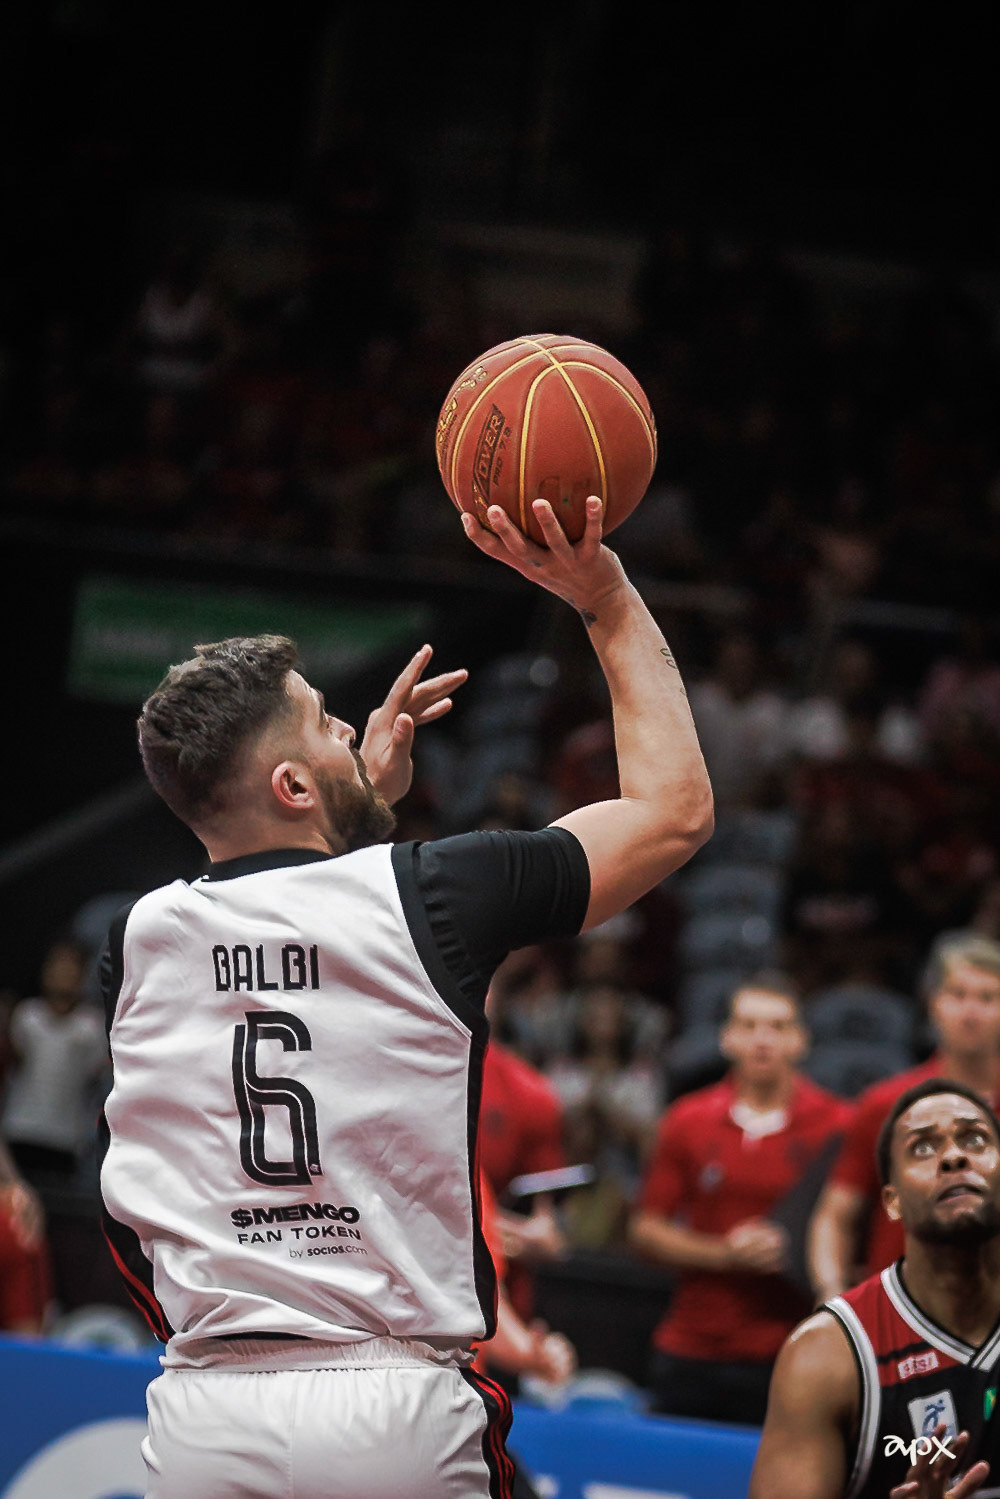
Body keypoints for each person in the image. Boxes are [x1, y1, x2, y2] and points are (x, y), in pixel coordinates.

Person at [98, 492, 713, 1499]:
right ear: (294, 787)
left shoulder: (136, 942)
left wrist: (349, 807)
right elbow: (674, 810)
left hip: (204, 1408)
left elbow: (277, 914)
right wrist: (604, 598)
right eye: (327, 724)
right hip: (390, 1404)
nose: (353, 729)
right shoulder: (436, 893)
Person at [750, 1079, 1000, 1499]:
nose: (954, 1156)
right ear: (892, 1201)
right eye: (923, 1148)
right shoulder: (827, 1356)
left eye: (974, 1139)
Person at [629, 975, 851, 1425]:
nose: (762, 1040)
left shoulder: (839, 1126)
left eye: (777, 1027)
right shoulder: (687, 1120)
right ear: (727, 1037)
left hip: (794, 1349)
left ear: (801, 1040)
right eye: (748, 1026)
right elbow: (645, 1231)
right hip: (691, 1347)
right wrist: (724, 1254)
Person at [808, 933, 1000, 1302]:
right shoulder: (886, 1104)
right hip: (899, 1313)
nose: (971, 1012)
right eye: (958, 995)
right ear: (933, 1003)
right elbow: (835, 1217)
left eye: (987, 998)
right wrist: (831, 1296)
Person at [1, 935, 109, 1188]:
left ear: (83, 974)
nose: (63, 974)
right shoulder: (27, 1017)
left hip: (65, 1138)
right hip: (21, 1129)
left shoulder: (92, 1027)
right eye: (57, 966)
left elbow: (96, 1077)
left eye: (71, 967)